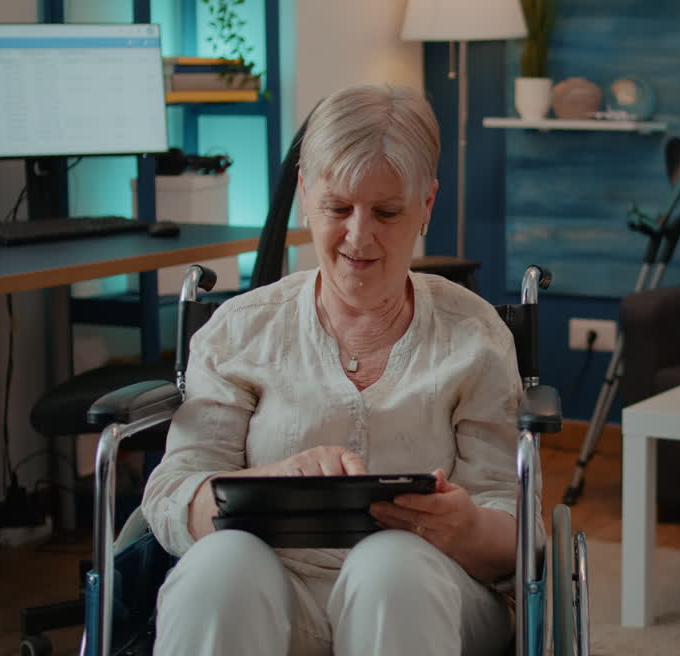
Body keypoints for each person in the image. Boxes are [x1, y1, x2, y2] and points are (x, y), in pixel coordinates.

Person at [142, 84, 524, 656]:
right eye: (338, 208)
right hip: (271, 594)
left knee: (392, 564)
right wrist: (261, 485)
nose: (358, 235)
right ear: (304, 196)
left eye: (387, 212)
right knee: (222, 562)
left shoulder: (475, 336)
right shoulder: (240, 330)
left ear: (427, 205)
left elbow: (517, 529)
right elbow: (171, 494)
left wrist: (465, 526)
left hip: (432, 594)